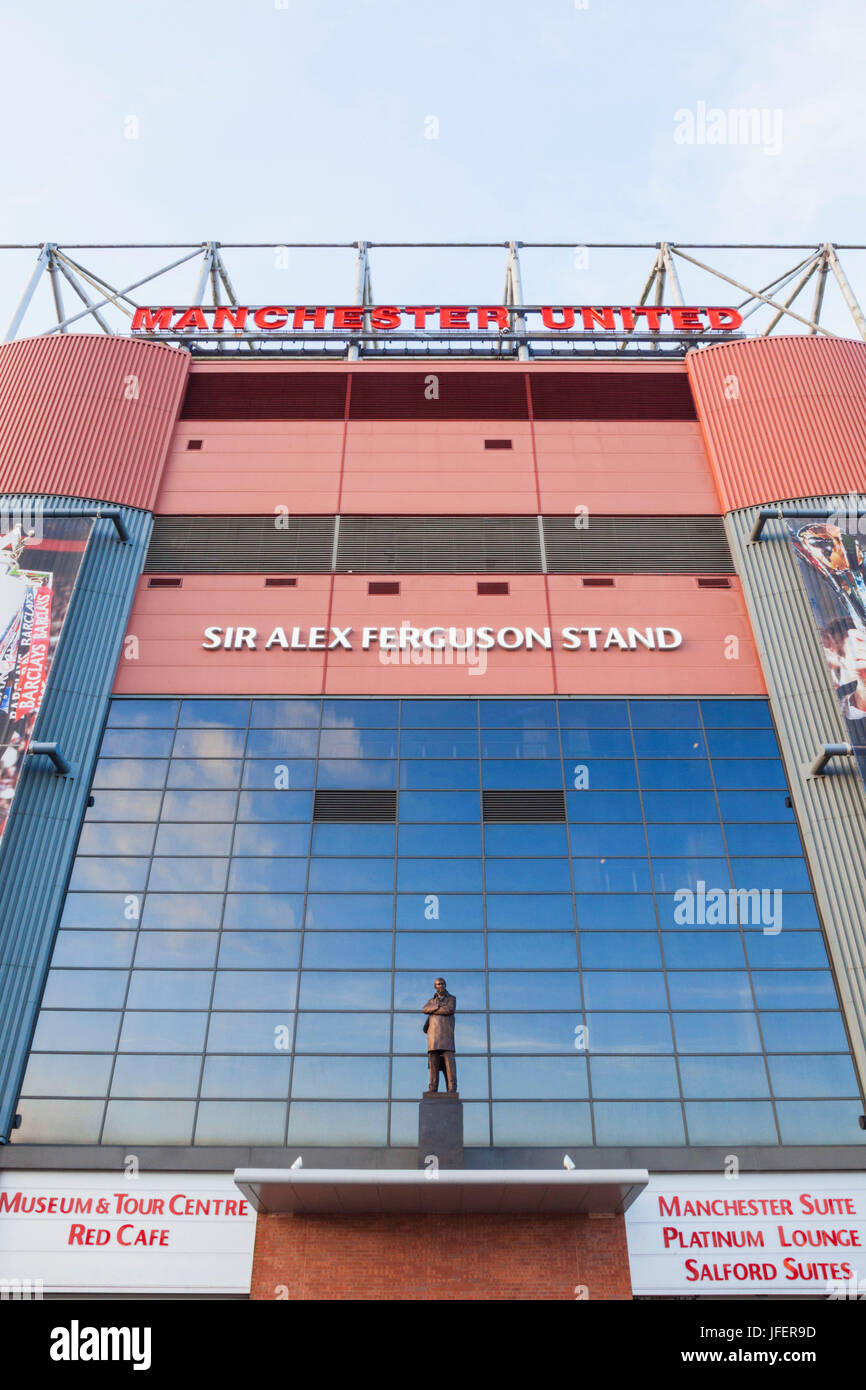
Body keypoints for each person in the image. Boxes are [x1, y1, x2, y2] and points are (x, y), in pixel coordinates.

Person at [422, 977, 457, 1093]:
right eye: (438, 984)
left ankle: (452, 1087)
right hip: (433, 1038)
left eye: (442, 984)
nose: (441, 986)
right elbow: (424, 1009)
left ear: (445, 985)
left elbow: (449, 1010)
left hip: (446, 1036)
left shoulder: (451, 999)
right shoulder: (431, 1001)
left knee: (449, 1064)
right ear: (435, 987)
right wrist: (436, 1007)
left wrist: (433, 1009)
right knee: (433, 1065)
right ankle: (432, 1088)